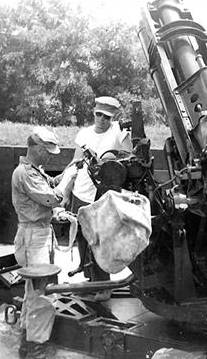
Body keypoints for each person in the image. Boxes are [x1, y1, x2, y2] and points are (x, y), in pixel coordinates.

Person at [69, 96, 133, 301]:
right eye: (99, 114)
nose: (102, 120)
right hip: (81, 192)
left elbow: (129, 156)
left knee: (98, 239)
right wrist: (65, 187)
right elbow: (75, 161)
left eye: (107, 117)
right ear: (93, 112)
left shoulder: (118, 132)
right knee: (81, 236)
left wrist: (109, 158)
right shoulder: (84, 134)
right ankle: (91, 279)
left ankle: (103, 286)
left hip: (101, 193)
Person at [11, 126, 64, 359]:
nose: (50, 155)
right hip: (34, 236)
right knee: (42, 296)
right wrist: (68, 183)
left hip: (38, 234)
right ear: (36, 148)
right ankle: (37, 352)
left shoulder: (35, 171)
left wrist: (71, 169)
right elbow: (51, 198)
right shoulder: (24, 173)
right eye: (47, 151)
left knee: (32, 293)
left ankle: (26, 346)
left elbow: (50, 183)